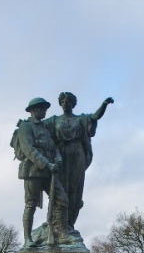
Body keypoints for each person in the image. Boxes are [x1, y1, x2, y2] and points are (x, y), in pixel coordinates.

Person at [45, 93, 114, 230]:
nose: (66, 103)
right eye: (63, 101)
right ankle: (57, 224)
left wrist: (104, 105)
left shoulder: (81, 119)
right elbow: (36, 126)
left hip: (77, 154)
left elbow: (95, 117)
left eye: (69, 101)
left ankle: (70, 224)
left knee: (75, 190)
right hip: (60, 155)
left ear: (73, 104)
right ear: (60, 103)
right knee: (60, 190)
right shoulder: (53, 121)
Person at [14, 97, 76, 248]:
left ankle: (61, 234)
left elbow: (53, 147)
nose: (45, 111)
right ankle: (28, 238)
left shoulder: (44, 128)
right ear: (34, 110)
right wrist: (47, 164)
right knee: (31, 205)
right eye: (43, 109)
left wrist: (58, 159)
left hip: (49, 173)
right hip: (33, 171)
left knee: (62, 200)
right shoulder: (25, 127)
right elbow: (29, 149)